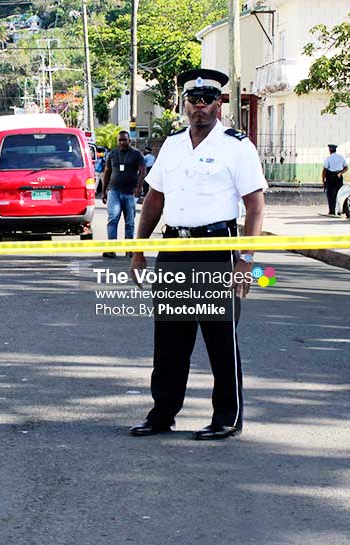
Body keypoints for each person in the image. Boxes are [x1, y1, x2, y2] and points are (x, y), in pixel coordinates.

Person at [128, 68, 267, 441]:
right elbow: (154, 199)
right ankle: (162, 413)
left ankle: (227, 416)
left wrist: (247, 260)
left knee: (220, 340)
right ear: (184, 104)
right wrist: (139, 250)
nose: (200, 108)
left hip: (216, 249)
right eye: (194, 100)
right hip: (174, 248)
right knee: (169, 341)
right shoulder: (172, 145)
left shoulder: (237, 146)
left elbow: (254, 206)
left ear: (219, 105)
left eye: (208, 101)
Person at [101, 131, 146, 258]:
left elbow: (143, 171)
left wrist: (139, 186)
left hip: (130, 192)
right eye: (120, 140)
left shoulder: (136, 154)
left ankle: (129, 248)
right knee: (113, 218)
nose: (122, 142)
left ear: (129, 141)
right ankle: (111, 248)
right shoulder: (113, 154)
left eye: (124, 140)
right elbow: (107, 172)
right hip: (114, 191)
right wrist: (104, 191)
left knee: (130, 222)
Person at [322, 143, 348, 215]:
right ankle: (339, 211)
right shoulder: (341, 157)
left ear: (330, 150)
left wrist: (323, 180)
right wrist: (340, 173)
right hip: (338, 177)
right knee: (339, 194)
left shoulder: (328, 158)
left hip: (330, 177)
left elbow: (324, 170)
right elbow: (346, 168)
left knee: (330, 195)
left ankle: (332, 211)